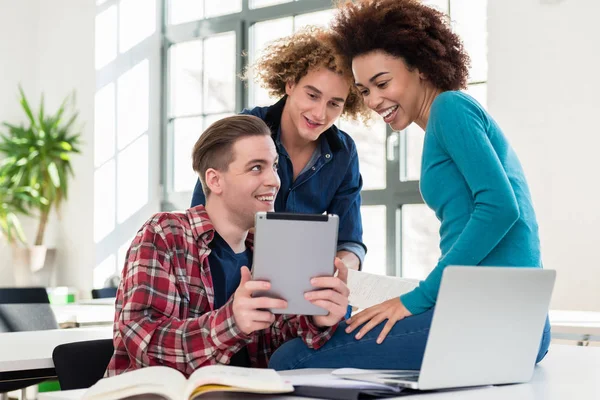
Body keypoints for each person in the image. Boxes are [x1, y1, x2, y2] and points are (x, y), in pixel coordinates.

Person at [268, 0, 550, 370]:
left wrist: (415, 300)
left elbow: (500, 208)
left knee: (289, 359)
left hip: (500, 315)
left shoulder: (451, 108)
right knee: (324, 334)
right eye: (364, 90)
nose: (373, 100)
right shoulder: (443, 122)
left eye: (382, 83)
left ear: (419, 67)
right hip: (503, 313)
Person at [106, 115, 349, 376]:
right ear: (215, 180)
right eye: (256, 168)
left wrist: (317, 318)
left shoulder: (266, 248)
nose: (274, 180)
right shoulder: (165, 234)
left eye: (274, 166)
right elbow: (142, 341)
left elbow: (272, 342)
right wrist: (231, 323)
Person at [191, 27, 370, 273]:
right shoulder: (247, 130)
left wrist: (339, 269)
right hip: (229, 273)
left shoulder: (344, 153)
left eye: (333, 104)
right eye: (312, 95)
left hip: (303, 280)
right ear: (290, 83)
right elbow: (201, 220)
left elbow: (350, 241)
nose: (319, 114)